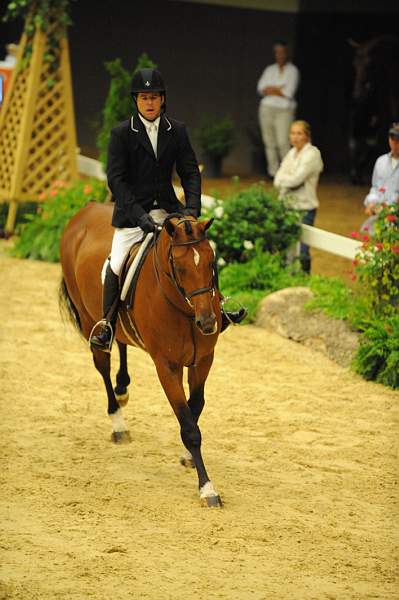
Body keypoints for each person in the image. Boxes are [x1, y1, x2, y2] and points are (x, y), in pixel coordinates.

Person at [91, 68, 246, 351]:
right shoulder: (122, 134)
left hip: (170, 212)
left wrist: (192, 212)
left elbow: (190, 172)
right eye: (144, 97)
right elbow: (117, 180)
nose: (149, 103)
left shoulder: (177, 130)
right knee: (115, 265)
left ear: (163, 100)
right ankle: (108, 325)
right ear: (136, 101)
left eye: (154, 97)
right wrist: (140, 216)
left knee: (201, 250)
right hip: (131, 217)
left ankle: (219, 307)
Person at [274, 120, 323, 273]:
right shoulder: (291, 153)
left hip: (304, 208)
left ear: (307, 136)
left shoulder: (312, 154)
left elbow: (297, 179)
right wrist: (288, 180)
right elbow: (277, 180)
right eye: (292, 133)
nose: (295, 137)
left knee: (302, 252)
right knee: (285, 248)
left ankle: (305, 282)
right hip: (286, 206)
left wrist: (286, 180)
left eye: (299, 133)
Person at [257, 40, 300, 178]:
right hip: (267, 108)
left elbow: (289, 92)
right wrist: (278, 89)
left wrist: (272, 89)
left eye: (282, 52)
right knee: (269, 142)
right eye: (277, 52)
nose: (280, 55)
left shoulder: (293, 70)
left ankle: (288, 172)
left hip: (284, 110)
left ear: (286, 53)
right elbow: (261, 88)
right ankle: (273, 172)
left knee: (283, 142)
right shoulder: (270, 69)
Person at [361, 122, 399, 233]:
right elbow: (375, 188)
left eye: (398, 140)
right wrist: (371, 202)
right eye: (392, 139)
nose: (395, 143)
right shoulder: (380, 161)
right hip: (380, 218)